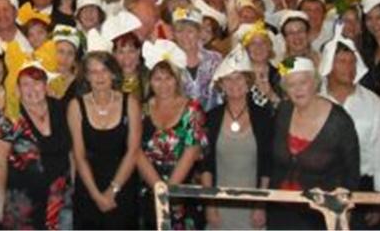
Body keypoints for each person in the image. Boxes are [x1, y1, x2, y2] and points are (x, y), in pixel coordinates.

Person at [268, 56, 361, 229]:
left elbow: (352, 174)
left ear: (315, 83)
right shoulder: (283, 111)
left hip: (320, 214)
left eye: (303, 82)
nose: (298, 89)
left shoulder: (339, 121)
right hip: (280, 209)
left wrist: (344, 213)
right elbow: (274, 164)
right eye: (291, 84)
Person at [320, 35, 380, 227]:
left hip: (361, 187)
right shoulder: (316, 100)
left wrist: (379, 199)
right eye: (342, 61)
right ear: (328, 65)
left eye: (352, 61)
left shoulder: (373, 103)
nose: (349, 67)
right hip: (320, 187)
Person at [0, 62, 72, 229]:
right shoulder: (10, 117)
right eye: (25, 84)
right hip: (23, 202)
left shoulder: (63, 109)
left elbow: (74, 152)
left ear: (46, 86)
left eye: (37, 83)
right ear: (18, 89)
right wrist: (0, 199)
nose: (32, 89)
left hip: (62, 198)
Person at [201, 47, 273, 230]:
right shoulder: (211, 117)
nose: (234, 83)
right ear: (221, 85)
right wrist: (210, 205)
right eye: (228, 79)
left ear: (248, 82)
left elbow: (267, 164)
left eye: (239, 77)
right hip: (219, 206)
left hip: (253, 208)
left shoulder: (263, 117)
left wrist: (261, 205)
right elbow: (206, 165)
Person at [137, 40, 206, 230]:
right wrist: (158, 188)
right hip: (148, 189)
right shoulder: (141, 108)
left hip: (183, 191)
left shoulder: (192, 108)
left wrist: (169, 192)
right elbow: (136, 150)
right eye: (157, 79)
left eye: (169, 78)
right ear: (149, 81)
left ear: (177, 79)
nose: (163, 84)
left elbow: (192, 151)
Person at [67, 51, 140, 230]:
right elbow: (79, 156)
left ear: (113, 73)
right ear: (87, 77)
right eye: (93, 71)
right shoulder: (75, 106)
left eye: (104, 70)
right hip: (89, 188)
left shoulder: (130, 103)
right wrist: (96, 195)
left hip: (122, 186)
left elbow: (133, 151)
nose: (99, 76)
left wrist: (113, 191)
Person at [172, 7, 223, 112]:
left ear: (199, 32)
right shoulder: (168, 61)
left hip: (214, 116)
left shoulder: (215, 60)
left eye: (190, 31)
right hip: (179, 118)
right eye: (179, 31)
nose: (185, 36)